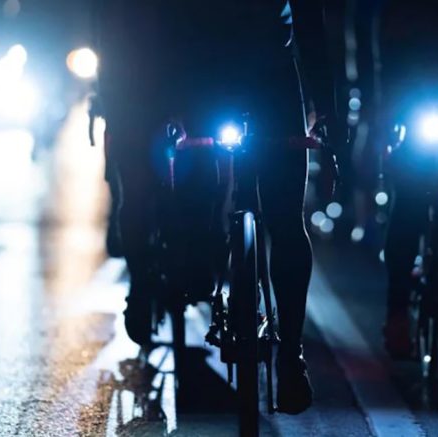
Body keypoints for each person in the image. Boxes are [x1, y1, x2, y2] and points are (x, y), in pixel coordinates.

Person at [94, 0, 342, 414]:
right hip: (203, 73)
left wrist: (328, 112)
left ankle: (291, 356)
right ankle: (195, 265)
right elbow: (169, 22)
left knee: (285, 219)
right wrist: (168, 106)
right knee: (197, 197)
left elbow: (309, 22)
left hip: (271, 81)